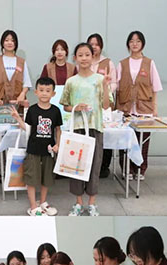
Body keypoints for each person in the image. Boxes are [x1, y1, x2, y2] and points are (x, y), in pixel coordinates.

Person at [60, 42, 111, 216]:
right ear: (75, 58)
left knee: (94, 166)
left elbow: (106, 105)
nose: (84, 58)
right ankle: (78, 203)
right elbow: (65, 106)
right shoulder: (71, 82)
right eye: (80, 55)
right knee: (75, 167)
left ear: (93, 57)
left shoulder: (100, 79)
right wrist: (76, 107)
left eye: (87, 55)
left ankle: (92, 203)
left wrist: (106, 85)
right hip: (77, 128)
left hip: (95, 127)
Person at [11, 77, 62, 216]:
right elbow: (27, 129)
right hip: (33, 150)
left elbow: (58, 130)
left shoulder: (56, 111)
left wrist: (58, 144)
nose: (44, 93)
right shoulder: (32, 110)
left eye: (48, 90)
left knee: (47, 178)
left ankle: (43, 202)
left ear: (53, 93)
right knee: (32, 178)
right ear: (36, 92)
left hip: (49, 151)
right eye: (41, 90)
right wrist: (18, 118)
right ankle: (33, 206)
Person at [116, 31, 163, 180]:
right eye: (131, 41)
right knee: (125, 140)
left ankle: (140, 169)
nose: (134, 44)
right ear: (128, 44)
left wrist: (155, 109)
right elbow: (116, 87)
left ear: (142, 44)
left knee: (142, 141)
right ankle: (126, 169)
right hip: (126, 109)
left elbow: (155, 88)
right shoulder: (122, 64)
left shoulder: (149, 63)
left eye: (137, 41)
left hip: (145, 110)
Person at [0, 30, 32, 183]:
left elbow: (27, 84)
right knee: (0, 138)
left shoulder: (21, 62)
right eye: (6, 40)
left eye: (12, 40)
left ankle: (17, 170)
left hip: (17, 107)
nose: (9, 42)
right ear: (2, 42)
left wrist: (22, 95)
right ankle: (0, 171)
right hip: (1, 107)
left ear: (16, 43)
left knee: (18, 137)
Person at [87, 33, 117, 179]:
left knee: (105, 134)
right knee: (89, 133)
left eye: (96, 44)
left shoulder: (108, 63)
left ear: (101, 46)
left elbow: (114, 83)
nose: (94, 47)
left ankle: (104, 166)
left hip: (104, 103)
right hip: (87, 105)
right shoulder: (84, 62)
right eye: (91, 44)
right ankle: (89, 165)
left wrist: (105, 92)